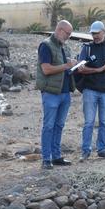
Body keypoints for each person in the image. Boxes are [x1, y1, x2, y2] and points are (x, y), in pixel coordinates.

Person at [77, 21, 105, 161]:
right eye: (93, 33)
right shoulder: (86, 48)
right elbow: (80, 69)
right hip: (90, 90)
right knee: (89, 122)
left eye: (97, 33)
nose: (95, 36)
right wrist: (99, 69)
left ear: (104, 32)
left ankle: (102, 149)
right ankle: (86, 150)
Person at [37, 20, 76, 170]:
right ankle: (46, 159)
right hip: (51, 93)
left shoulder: (64, 46)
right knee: (49, 126)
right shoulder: (45, 45)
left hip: (65, 92)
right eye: (67, 34)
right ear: (59, 30)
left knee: (59, 125)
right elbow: (46, 69)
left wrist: (75, 66)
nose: (68, 37)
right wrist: (66, 65)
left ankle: (56, 156)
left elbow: (64, 68)